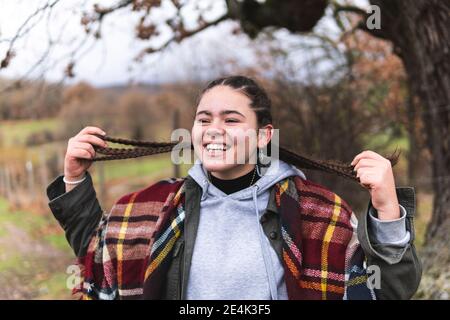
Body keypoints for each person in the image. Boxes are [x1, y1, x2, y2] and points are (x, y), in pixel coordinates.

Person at [47, 75, 421, 300]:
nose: (214, 129)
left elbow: (384, 292)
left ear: (264, 136)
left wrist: (388, 210)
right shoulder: (154, 206)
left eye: (231, 119)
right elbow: (100, 260)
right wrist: (75, 181)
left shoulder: (318, 213)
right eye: (204, 118)